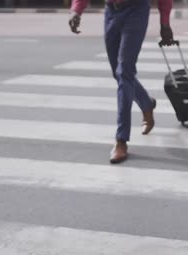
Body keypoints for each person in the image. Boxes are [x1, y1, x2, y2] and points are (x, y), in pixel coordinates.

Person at [68, 0, 174, 164]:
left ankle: (121, 139)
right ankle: (146, 104)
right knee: (118, 73)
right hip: (111, 11)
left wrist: (165, 22)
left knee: (124, 71)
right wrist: (76, 10)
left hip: (136, 10)